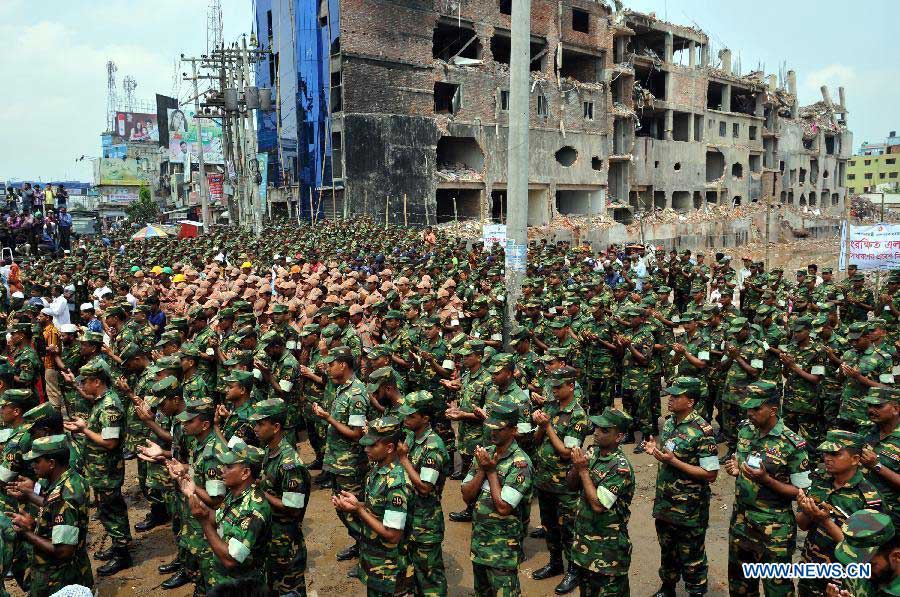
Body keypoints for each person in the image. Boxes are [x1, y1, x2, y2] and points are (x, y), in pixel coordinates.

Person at [723, 381, 811, 596]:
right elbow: (742, 460)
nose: (750, 413)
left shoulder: (792, 444)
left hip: (774, 530)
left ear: (773, 410)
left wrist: (768, 480)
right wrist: (736, 468)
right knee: (740, 586)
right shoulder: (745, 431)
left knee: (777, 589)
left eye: (756, 408)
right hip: (741, 523)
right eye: (748, 408)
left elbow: (803, 492)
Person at [643, 377, 719, 597]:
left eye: (677, 396)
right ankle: (668, 587)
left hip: (689, 507)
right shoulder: (669, 423)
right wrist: (657, 452)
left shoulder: (702, 431)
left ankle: (696, 591)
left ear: (691, 401)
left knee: (692, 555)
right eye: (670, 394)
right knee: (667, 550)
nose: (670, 399)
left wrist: (672, 461)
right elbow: (670, 455)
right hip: (666, 501)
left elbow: (710, 474)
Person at [62, 360, 132, 576]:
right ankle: (117, 544)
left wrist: (84, 430)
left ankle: (123, 553)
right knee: (106, 509)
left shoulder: (110, 405)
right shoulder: (102, 400)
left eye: (85, 381)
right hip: (99, 468)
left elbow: (109, 442)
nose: (83, 385)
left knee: (112, 509)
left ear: (97, 381)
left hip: (107, 469)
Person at [334, 415, 413, 595]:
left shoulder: (396, 484)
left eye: (372, 445)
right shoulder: (377, 470)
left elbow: (392, 535)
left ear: (390, 447)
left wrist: (359, 510)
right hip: (375, 561)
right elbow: (377, 509)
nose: (366, 449)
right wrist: (353, 505)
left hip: (390, 569)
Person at [460, 402, 533, 596]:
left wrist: (490, 472)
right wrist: (482, 469)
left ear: (513, 430)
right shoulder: (486, 454)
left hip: (503, 551)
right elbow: (467, 495)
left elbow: (503, 507)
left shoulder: (520, 464)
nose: (493, 433)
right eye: (491, 427)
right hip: (480, 544)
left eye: (499, 429)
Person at [7, 434, 93, 595]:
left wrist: (26, 533)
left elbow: (63, 551)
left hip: (58, 578)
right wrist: (29, 496)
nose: (33, 465)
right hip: (73, 570)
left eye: (37, 461)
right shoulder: (73, 479)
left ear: (52, 463)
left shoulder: (64, 496)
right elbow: (53, 507)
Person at [530, 366, 590, 594]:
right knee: (549, 525)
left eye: (558, 387)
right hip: (545, 478)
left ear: (571, 386)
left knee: (569, 529)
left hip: (565, 482)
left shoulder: (577, 415)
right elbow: (537, 441)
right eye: (552, 387)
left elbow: (567, 452)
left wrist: (547, 426)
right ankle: (555, 563)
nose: (554, 391)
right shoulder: (550, 407)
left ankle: (573, 571)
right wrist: (539, 425)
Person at [567, 407, 635, 597]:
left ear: (619, 437)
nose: (596, 432)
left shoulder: (620, 468)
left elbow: (598, 505)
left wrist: (583, 471)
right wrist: (576, 466)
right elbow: (571, 486)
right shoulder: (592, 452)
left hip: (608, 552)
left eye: (605, 430)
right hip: (585, 547)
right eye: (596, 427)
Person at [311, 346, 369, 562]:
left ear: (343, 364)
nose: (327, 368)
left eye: (331, 364)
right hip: (338, 460)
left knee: (352, 508)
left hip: (350, 463)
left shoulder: (356, 394)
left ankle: (368, 552)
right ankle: (360, 542)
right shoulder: (342, 388)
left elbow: (355, 434)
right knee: (341, 506)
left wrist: (328, 418)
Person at [189, 442, 272, 589]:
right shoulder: (234, 493)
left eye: (229, 467)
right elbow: (219, 518)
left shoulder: (254, 509)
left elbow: (231, 559)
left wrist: (204, 522)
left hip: (242, 586)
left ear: (245, 473)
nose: (222, 470)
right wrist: (191, 494)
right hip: (225, 580)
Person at [251, 398, 311, 596]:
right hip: (272, 538)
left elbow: (294, 509)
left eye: (261, 424)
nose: (256, 428)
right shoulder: (270, 450)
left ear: (276, 427)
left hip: (286, 544)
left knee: (289, 590)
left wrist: (261, 494)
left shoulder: (289, 463)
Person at [397, 390, 450, 596]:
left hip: (426, 522)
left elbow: (425, 487)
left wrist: (403, 460)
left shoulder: (433, 446)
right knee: (415, 574)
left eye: (411, 416)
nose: (406, 419)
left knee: (430, 579)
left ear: (425, 418)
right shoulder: (412, 436)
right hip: (411, 517)